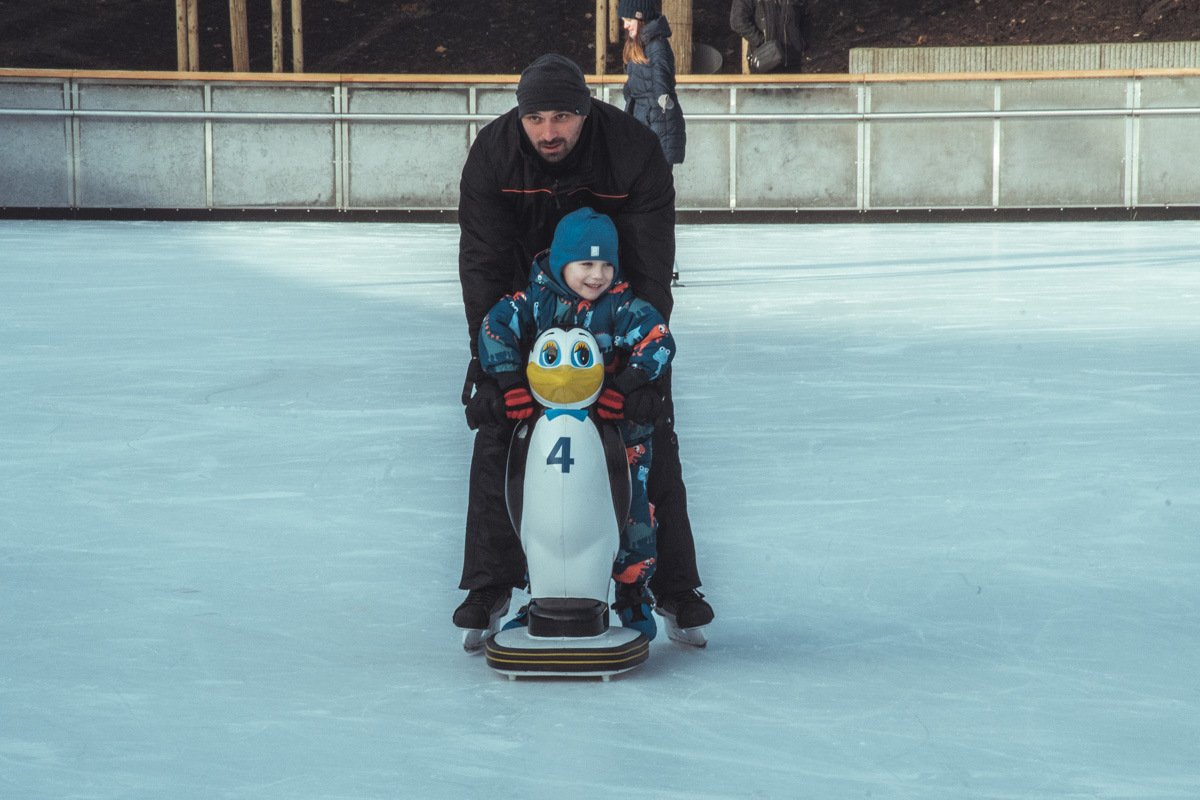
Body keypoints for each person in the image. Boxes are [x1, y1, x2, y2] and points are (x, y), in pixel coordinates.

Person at [455, 53, 713, 638]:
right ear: (520, 116)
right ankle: (490, 584)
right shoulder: (493, 155)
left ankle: (674, 588)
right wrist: (493, 370)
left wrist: (637, 377)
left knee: (648, 433)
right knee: (500, 431)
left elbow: (651, 269)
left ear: (586, 111)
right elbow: (483, 264)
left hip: (615, 317)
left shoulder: (633, 151)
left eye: (562, 117)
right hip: (531, 313)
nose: (548, 131)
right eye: (536, 119)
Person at [477, 207, 673, 639]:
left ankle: (632, 593)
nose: (597, 275)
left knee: (631, 507)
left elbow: (657, 337)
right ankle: (543, 595)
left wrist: (626, 386)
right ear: (562, 261)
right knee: (543, 511)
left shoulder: (620, 304)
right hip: (547, 427)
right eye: (586, 263)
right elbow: (494, 325)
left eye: (606, 265)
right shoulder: (535, 301)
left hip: (613, 430)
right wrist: (508, 379)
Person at [618, 0, 685, 167]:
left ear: (641, 18)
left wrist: (663, 98)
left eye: (629, 20)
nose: (625, 26)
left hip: (656, 127)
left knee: (652, 180)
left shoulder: (657, 46)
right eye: (624, 21)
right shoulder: (639, 45)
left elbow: (662, 85)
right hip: (642, 123)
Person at [730, 0, 807, 73]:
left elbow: (807, 16)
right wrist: (762, 41)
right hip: (764, 60)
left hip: (793, 60)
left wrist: (802, 43)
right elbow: (737, 21)